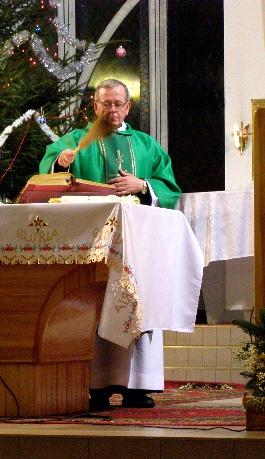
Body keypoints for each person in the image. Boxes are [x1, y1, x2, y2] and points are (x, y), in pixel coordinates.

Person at [39, 78, 182, 409]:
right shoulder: (77, 140)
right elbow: (49, 169)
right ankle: (97, 386)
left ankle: (136, 386)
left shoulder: (146, 144)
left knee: (136, 305)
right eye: (106, 104)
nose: (112, 109)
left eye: (118, 104)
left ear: (127, 107)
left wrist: (142, 184)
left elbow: (169, 186)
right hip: (93, 245)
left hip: (136, 244)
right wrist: (61, 163)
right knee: (96, 306)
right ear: (95, 106)